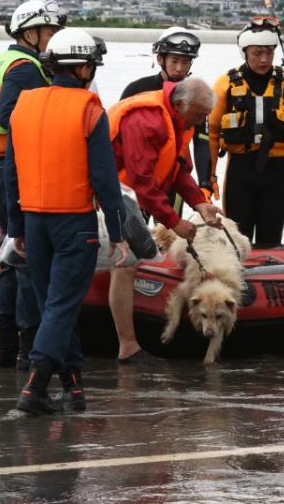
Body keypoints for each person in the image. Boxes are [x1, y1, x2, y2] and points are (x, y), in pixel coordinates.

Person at [5, 28, 129, 415]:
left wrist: (15, 227)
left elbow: (12, 173)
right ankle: (35, 387)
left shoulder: (23, 105)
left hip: (34, 221)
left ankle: (73, 388)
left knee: (53, 308)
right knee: (60, 307)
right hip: (74, 223)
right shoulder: (89, 109)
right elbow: (106, 181)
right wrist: (120, 234)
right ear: (83, 69)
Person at [0, 0, 65, 368]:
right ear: (31, 33)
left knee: (11, 256)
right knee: (26, 257)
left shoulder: (6, 60)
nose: (55, 40)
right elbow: (10, 115)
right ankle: (27, 346)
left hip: (0, 169)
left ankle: (5, 343)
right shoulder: (27, 69)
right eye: (51, 32)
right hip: (15, 171)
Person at [107, 79, 223, 363]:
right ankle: (127, 345)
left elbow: (179, 171)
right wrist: (174, 222)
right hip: (111, 192)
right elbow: (142, 181)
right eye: (199, 115)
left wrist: (199, 203)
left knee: (130, 261)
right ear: (182, 105)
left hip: (128, 194)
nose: (202, 121)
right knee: (125, 263)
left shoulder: (179, 120)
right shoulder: (145, 120)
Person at [208, 16, 284, 245]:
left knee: (271, 239)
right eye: (257, 53)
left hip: (277, 172)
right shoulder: (226, 84)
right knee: (236, 240)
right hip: (240, 171)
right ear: (244, 52)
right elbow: (212, 135)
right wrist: (209, 177)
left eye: (269, 53)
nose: (264, 59)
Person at [121, 26, 214, 200]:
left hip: (173, 180)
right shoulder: (136, 90)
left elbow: (202, 142)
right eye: (174, 61)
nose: (179, 68)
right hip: (134, 180)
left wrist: (204, 184)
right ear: (160, 59)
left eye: (185, 62)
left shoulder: (195, 98)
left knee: (171, 226)